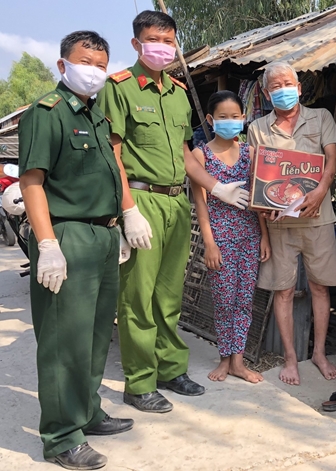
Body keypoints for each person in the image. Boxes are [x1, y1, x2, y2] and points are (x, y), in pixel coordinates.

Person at [97, 10, 249, 413]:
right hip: (142, 200)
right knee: (137, 296)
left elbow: (185, 155)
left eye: (168, 41)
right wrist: (128, 209)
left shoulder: (180, 92)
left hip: (176, 202)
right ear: (136, 43)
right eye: (154, 40)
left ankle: (169, 368)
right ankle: (140, 382)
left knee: (168, 295)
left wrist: (217, 186)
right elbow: (112, 152)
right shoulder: (120, 88)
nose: (162, 48)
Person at [18, 31, 133, 470]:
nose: (95, 70)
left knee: (96, 332)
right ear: (63, 64)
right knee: (65, 339)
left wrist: (121, 222)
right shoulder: (47, 113)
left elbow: (109, 174)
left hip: (103, 237)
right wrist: (47, 244)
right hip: (67, 235)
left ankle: (87, 411)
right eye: (86, 61)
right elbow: (32, 182)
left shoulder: (97, 116)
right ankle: (63, 435)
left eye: (102, 64)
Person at [247, 61, 336, 385]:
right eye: (275, 86)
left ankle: (319, 353)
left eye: (287, 83)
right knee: (283, 291)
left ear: (299, 88)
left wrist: (321, 191)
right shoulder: (258, 128)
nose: (282, 90)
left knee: (319, 287)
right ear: (266, 92)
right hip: (279, 225)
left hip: (317, 218)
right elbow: (257, 177)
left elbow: (332, 159)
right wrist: (265, 208)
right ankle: (290, 359)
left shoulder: (322, 118)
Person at [191, 91, 270, 384]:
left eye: (235, 116)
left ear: (243, 118)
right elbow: (200, 203)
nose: (230, 122)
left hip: (249, 235)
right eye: (222, 117)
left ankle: (238, 361)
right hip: (221, 237)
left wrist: (264, 236)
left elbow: (259, 199)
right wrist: (209, 243)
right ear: (211, 120)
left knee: (244, 300)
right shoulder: (201, 155)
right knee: (224, 300)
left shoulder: (251, 153)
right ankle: (225, 357)